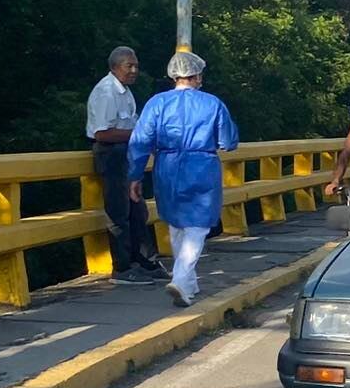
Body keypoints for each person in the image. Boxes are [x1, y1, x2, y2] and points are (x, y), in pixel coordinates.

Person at [128, 51, 239, 307]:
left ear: (174, 76)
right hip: (202, 165)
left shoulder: (157, 103)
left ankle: (188, 284)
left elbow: (140, 141)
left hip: (167, 166)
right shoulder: (212, 103)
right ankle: (180, 279)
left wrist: (134, 176)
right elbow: (228, 141)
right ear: (197, 75)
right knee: (198, 226)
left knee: (176, 222)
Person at [85, 45, 163, 284]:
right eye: (129, 66)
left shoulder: (125, 92)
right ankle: (122, 268)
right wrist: (139, 135)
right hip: (111, 153)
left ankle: (146, 261)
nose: (134, 70)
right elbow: (102, 133)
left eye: (136, 66)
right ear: (115, 67)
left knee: (137, 209)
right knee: (119, 212)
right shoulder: (107, 92)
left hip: (126, 152)